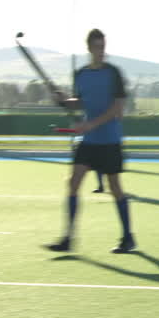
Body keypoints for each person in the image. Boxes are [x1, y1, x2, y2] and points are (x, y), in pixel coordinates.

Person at [46, 29, 135, 254]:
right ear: (89, 48)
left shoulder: (113, 73)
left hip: (109, 139)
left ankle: (127, 237)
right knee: (73, 183)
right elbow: (80, 103)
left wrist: (91, 124)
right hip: (88, 140)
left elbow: (117, 108)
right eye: (97, 47)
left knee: (115, 187)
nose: (101, 52)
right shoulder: (81, 74)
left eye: (103, 47)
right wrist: (65, 101)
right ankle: (68, 238)